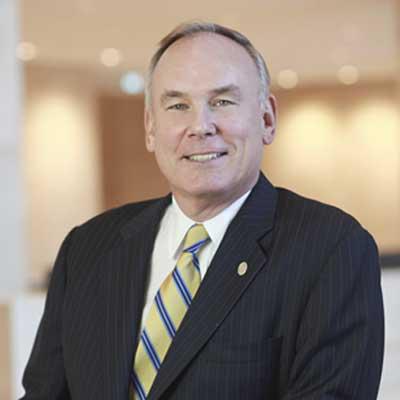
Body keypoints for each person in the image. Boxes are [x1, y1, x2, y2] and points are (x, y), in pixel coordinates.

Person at [21, 22, 384, 400]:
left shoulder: (332, 249)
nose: (200, 126)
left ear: (266, 118)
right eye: (178, 105)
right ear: (150, 128)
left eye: (223, 101)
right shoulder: (86, 248)